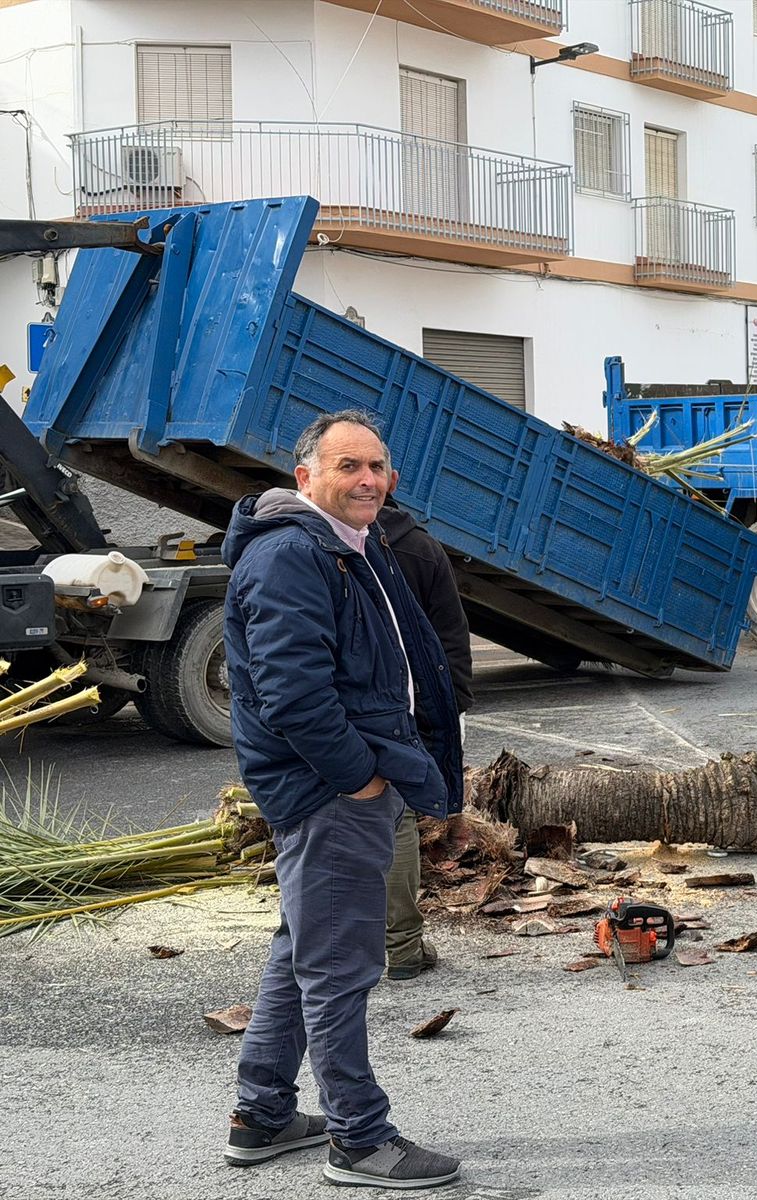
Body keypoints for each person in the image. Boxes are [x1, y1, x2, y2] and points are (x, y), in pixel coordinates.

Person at [221, 409, 464, 1189]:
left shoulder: (348, 546)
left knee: (301, 952)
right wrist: (359, 777)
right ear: (305, 477)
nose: (367, 480)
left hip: (342, 786)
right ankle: (360, 1140)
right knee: (340, 969)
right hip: (331, 793)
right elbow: (294, 697)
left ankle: (260, 1116)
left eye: (377, 467)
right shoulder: (293, 554)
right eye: (348, 466)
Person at [376, 498, 474, 982]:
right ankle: (402, 948)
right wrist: (450, 705)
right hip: (407, 709)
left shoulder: (323, 544)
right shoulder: (420, 548)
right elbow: (451, 634)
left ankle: (328, 948)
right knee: (396, 818)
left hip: (356, 709)